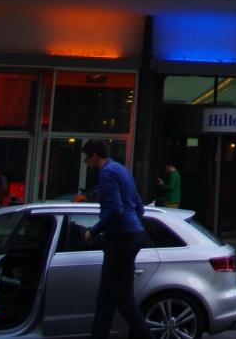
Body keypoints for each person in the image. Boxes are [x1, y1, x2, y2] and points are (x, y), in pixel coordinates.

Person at [82, 139, 153, 339]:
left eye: (88, 159)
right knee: (119, 297)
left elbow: (115, 209)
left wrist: (92, 232)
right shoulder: (123, 170)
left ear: (95, 155)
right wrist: (133, 225)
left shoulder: (107, 173)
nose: (88, 163)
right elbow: (139, 206)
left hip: (119, 238)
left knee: (110, 296)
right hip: (132, 235)